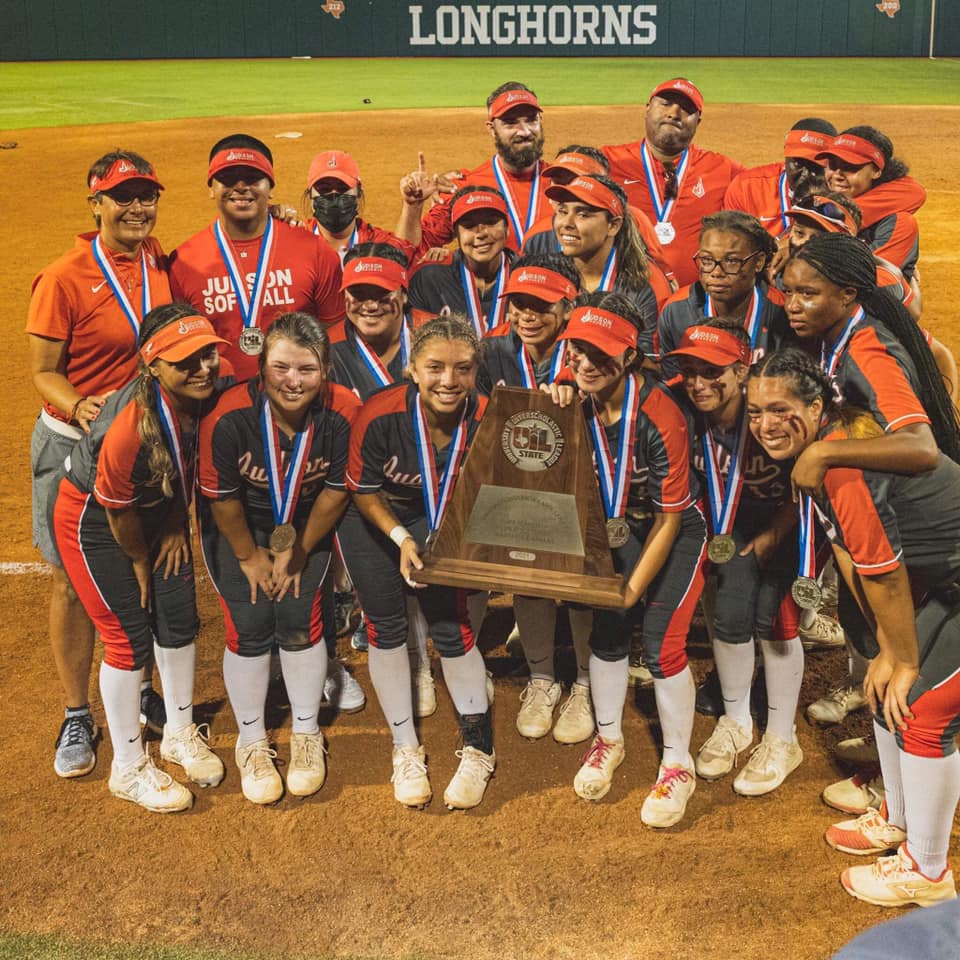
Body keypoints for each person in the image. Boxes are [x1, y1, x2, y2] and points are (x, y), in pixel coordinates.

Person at [748, 347, 960, 908]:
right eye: (754, 412)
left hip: (947, 586)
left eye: (779, 409)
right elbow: (848, 555)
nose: (765, 425)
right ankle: (899, 814)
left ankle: (928, 871)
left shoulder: (841, 467)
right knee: (885, 689)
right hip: (948, 586)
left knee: (925, 706)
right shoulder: (822, 453)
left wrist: (902, 656)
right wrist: (885, 650)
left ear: (816, 406)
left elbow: (884, 572)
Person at [52, 304, 229, 812]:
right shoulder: (126, 428)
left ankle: (177, 731)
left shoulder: (203, 392)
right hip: (99, 522)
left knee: (177, 618)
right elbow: (117, 510)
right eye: (185, 362)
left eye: (207, 356)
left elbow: (180, 463)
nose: (202, 369)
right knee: (128, 636)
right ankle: (128, 767)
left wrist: (175, 523)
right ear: (153, 366)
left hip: (156, 512)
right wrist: (137, 560)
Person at [28, 149, 171, 780]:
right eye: (123, 196)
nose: (137, 207)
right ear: (97, 203)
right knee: (70, 580)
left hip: (144, 446)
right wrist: (82, 405)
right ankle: (76, 711)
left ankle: (137, 686)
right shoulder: (62, 277)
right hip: (72, 446)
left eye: (146, 195)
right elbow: (42, 372)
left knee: (143, 561)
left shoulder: (157, 260)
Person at [780, 233, 960, 730]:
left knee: (919, 694)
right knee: (895, 667)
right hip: (901, 531)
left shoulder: (867, 349)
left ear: (847, 296)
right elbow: (939, 357)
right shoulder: (834, 335)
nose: (793, 305)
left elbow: (921, 448)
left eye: (808, 294)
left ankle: (903, 787)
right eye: (788, 291)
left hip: (925, 540)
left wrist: (823, 451)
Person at [554, 293, 707, 827]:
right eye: (578, 351)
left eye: (601, 353)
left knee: (664, 643)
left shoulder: (659, 413)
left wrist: (632, 588)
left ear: (630, 357)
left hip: (677, 529)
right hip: (618, 527)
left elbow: (669, 521)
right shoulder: (572, 399)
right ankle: (608, 739)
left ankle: (677, 764)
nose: (587, 363)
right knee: (607, 630)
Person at [198, 313, 359, 804]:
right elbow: (222, 498)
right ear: (261, 367)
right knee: (247, 623)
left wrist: (299, 549)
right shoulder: (227, 415)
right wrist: (249, 556)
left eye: (306, 369)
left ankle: (307, 733)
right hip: (239, 525)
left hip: (306, 521)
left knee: (298, 617)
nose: (293, 381)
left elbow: (335, 490)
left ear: (326, 370)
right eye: (281, 367)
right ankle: (251, 740)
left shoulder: (344, 411)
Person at [344, 316, 495, 810]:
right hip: (379, 521)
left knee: (453, 629)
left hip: (449, 520)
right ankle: (405, 748)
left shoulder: (489, 417)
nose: (448, 381)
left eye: (462, 369)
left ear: (476, 372)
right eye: (434, 368)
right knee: (386, 627)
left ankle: (478, 748)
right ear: (412, 369)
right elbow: (364, 490)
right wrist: (401, 536)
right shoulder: (379, 413)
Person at [666, 323, 805, 795]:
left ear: (742, 371)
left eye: (713, 371)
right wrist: (561, 383)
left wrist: (774, 535)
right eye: (690, 371)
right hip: (725, 524)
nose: (699, 382)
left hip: (788, 517)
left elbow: (807, 476)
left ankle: (783, 738)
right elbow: (626, 388)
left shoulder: (767, 410)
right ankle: (737, 720)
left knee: (775, 617)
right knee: (727, 612)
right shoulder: (679, 401)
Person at [478, 253, 595, 744]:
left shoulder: (588, 349)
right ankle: (543, 677)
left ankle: (587, 684)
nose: (527, 315)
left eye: (541, 305)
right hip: (515, 487)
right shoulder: (492, 351)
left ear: (568, 307)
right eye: (519, 304)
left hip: (584, 485)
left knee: (582, 584)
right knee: (527, 575)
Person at [329, 242, 435, 716]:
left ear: (403, 294)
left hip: (435, 486)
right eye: (358, 293)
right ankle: (414, 666)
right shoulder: (328, 349)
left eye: (381, 293)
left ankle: (433, 663)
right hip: (367, 496)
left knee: (442, 594)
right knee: (386, 599)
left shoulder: (434, 336)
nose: (368, 305)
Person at [169, 133, 345, 382]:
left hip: (296, 400)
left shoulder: (314, 250)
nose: (241, 187)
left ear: (270, 187)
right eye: (228, 179)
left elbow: (335, 336)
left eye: (253, 178)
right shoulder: (183, 262)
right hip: (218, 406)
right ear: (211, 188)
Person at [602, 78, 744, 287]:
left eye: (686, 108)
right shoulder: (608, 161)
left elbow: (771, 186)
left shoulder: (723, 168)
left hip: (695, 301)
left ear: (698, 120)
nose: (674, 113)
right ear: (648, 108)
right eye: (666, 103)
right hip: (622, 293)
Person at [397, 81, 551, 253]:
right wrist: (412, 207)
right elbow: (408, 252)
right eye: (510, 122)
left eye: (531, 120)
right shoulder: (465, 187)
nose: (525, 131)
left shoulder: (565, 183)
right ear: (492, 129)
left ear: (541, 121)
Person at [522, 144, 677, 301]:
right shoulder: (537, 236)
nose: (568, 190)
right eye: (558, 181)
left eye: (576, 181)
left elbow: (662, 281)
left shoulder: (635, 221)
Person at [655, 211, 786, 377]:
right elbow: (674, 386)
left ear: (758, 262)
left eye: (731, 261)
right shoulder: (676, 311)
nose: (716, 273)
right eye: (707, 260)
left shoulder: (782, 311)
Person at [544, 174, 661, 332]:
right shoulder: (544, 277)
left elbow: (642, 355)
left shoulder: (639, 290)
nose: (566, 223)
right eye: (562, 211)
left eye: (582, 215)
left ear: (613, 226)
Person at [816, 127, 924, 279]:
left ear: (876, 171)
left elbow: (914, 192)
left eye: (850, 167)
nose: (837, 175)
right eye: (832, 165)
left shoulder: (898, 217)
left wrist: (829, 217)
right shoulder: (814, 192)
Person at [407, 185, 517, 334]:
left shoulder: (526, 276)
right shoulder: (429, 280)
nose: (481, 234)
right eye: (469, 225)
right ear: (456, 234)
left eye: (491, 222)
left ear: (507, 228)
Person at [722, 118, 836, 237]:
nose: (807, 174)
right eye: (798, 163)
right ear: (785, 156)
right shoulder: (747, 188)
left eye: (816, 166)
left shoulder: (845, 192)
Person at [303, 149, 415, 264]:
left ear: (358, 192)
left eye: (343, 188)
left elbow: (407, 256)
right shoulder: (296, 242)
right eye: (324, 189)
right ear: (310, 194)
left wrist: (413, 205)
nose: (334, 195)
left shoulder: (378, 243)